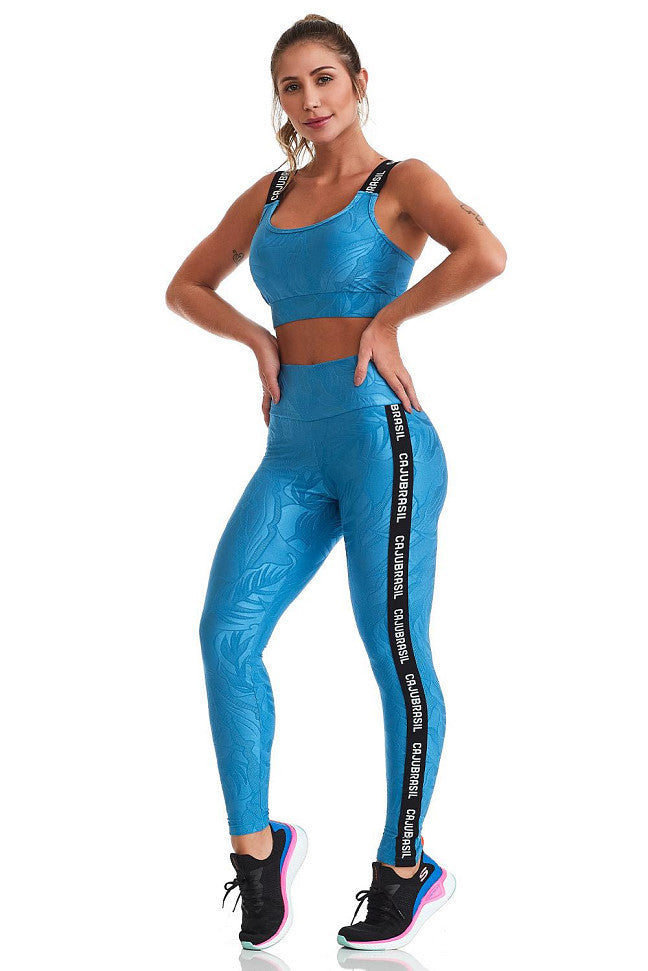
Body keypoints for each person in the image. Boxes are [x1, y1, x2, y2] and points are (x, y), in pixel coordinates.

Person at [165, 13, 506, 953]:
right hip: (292, 447)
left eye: (323, 78)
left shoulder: (401, 182)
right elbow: (186, 286)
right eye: (291, 85)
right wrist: (255, 338)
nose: (309, 99)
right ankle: (258, 850)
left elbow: (485, 252)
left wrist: (389, 320)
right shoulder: (271, 193)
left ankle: (406, 865)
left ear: (358, 81)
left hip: (380, 439)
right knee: (226, 633)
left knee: (393, 649)